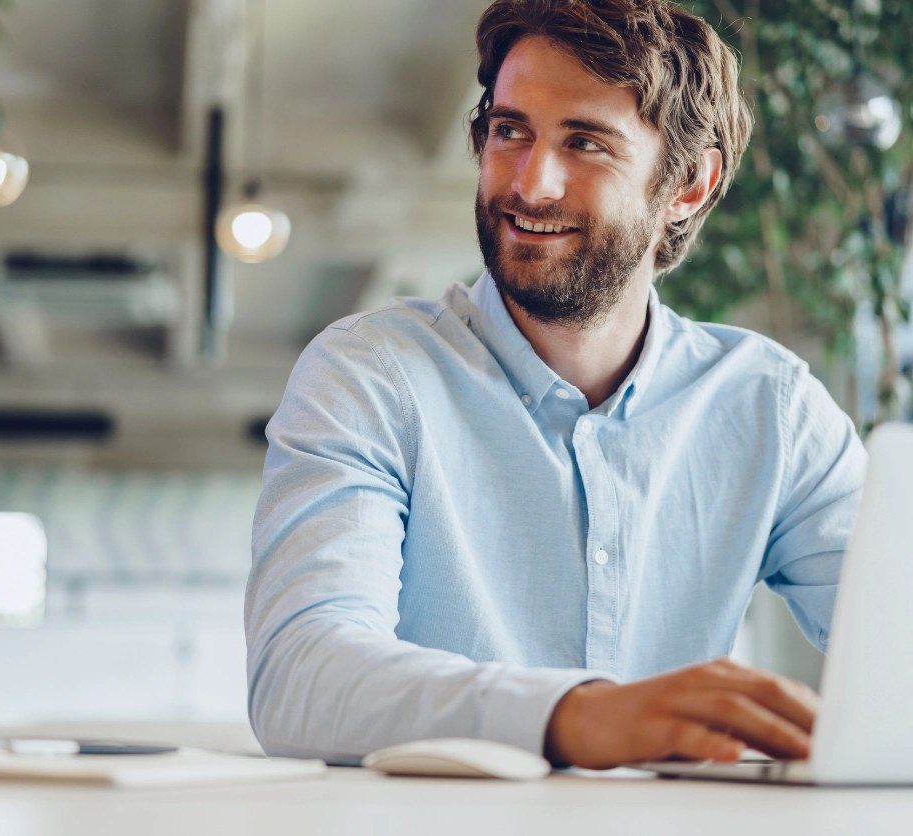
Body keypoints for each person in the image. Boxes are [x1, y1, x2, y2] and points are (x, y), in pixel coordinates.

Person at [245, 0, 866, 769]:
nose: (531, 184)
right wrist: (574, 716)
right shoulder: (370, 375)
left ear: (689, 185)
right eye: (511, 131)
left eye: (586, 142)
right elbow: (301, 673)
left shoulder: (771, 407)